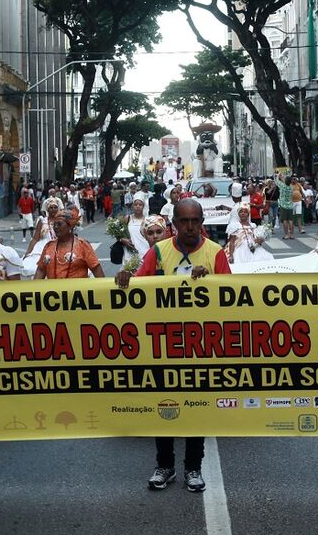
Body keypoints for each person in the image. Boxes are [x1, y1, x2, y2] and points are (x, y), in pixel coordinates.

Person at [135, 199, 230, 492]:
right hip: (163, 344)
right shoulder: (158, 252)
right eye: (184, 221)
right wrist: (125, 281)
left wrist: (209, 282)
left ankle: (193, 468)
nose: (190, 227)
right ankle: (164, 466)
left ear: (202, 221)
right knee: (164, 406)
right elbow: (138, 292)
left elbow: (231, 299)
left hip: (200, 346)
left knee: (196, 408)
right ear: (173, 223)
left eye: (195, 221)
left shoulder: (215, 253)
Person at [34, 210, 104, 280]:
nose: (55, 227)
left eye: (59, 224)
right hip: (53, 290)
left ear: (70, 226)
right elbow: (41, 270)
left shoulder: (82, 245)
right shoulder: (49, 246)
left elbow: (97, 271)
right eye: (54, 224)